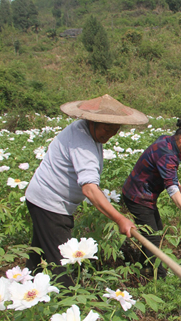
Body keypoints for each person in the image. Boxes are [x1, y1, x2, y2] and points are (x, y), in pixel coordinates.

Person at [25, 94, 147, 287]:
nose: (110, 134)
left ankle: (24, 292)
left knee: (39, 257)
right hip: (49, 204)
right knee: (61, 266)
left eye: (115, 130)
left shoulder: (87, 132)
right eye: (107, 128)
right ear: (93, 121)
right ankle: (63, 305)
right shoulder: (82, 141)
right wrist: (119, 218)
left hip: (45, 200)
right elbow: (89, 188)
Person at [122, 120, 181, 278]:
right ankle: (159, 278)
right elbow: (170, 186)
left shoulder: (166, 140)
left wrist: (177, 183)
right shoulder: (167, 154)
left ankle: (144, 267)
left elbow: (169, 174)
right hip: (138, 196)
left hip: (142, 192)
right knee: (153, 238)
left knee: (155, 231)